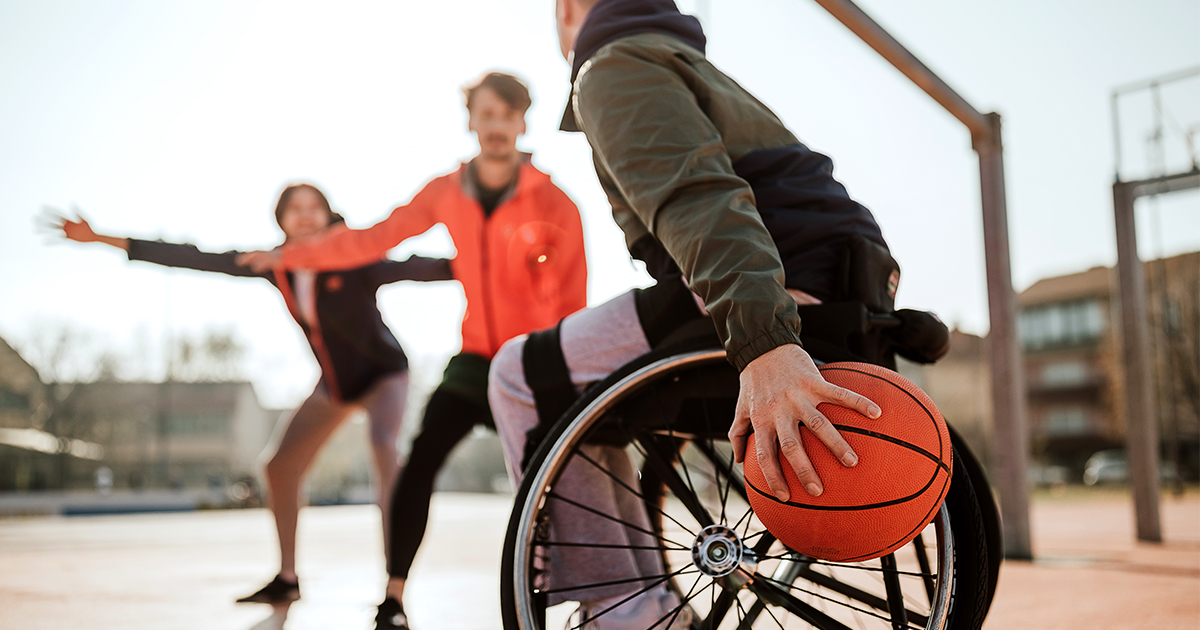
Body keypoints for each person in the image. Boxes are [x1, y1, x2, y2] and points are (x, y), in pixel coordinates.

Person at [486, 0, 895, 626]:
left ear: (570, 8)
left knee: (519, 373)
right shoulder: (688, 64)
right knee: (572, 389)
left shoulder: (613, 66)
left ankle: (622, 610)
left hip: (765, 287)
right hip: (829, 279)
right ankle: (640, 597)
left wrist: (766, 342)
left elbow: (698, 199)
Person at [237, 72, 587, 630]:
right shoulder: (447, 190)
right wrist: (298, 255)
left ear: (523, 122)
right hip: (474, 359)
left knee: (553, 475)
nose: (496, 127)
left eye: (507, 116)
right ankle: (394, 598)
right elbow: (375, 238)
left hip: (533, 358)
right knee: (418, 461)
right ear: (471, 120)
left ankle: (572, 589)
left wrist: (561, 363)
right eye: (486, 115)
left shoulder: (555, 202)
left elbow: (572, 297)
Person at [50, 183, 452, 605]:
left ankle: (394, 588)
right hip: (334, 384)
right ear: (280, 219)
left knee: (384, 450)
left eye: (314, 207)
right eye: (294, 208)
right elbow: (195, 257)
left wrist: (488, 263)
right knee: (279, 467)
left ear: (328, 214)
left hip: (384, 375)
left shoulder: (352, 256)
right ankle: (288, 578)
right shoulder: (275, 264)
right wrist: (102, 238)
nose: (305, 215)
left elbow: (419, 267)